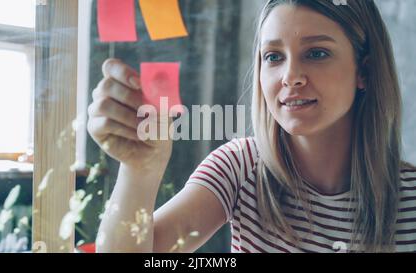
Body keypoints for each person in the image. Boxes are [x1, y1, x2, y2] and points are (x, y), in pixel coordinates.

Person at [87, 0, 416, 253]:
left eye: (316, 53)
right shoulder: (239, 166)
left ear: (366, 72)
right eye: (273, 57)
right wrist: (139, 170)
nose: (290, 76)